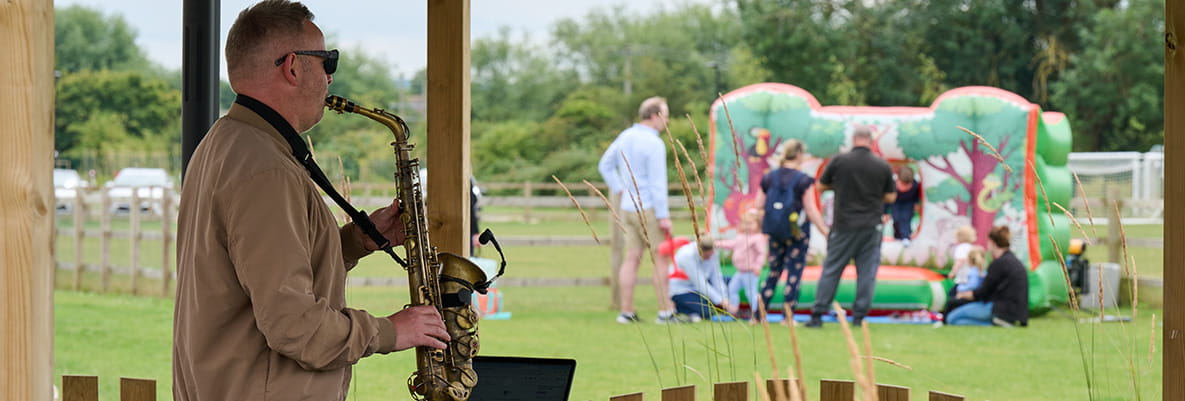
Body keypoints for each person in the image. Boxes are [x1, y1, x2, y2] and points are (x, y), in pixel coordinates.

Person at [173, 2, 449, 400]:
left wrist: (357, 241)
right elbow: (294, 326)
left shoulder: (225, 142)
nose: (330, 77)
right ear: (292, 66)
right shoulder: (266, 169)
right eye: (327, 61)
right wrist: (392, 330)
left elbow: (260, 270)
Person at [806, 126, 895, 328]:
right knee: (866, 273)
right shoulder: (881, 165)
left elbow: (820, 186)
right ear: (871, 141)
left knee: (832, 269)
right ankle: (859, 317)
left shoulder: (839, 161)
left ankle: (818, 314)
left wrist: (839, 186)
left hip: (843, 225)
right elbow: (891, 196)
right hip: (872, 226)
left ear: (854, 140)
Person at [598, 96, 675, 324]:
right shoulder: (654, 143)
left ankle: (627, 311)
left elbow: (605, 165)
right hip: (649, 207)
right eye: (665, 115)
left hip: (627, 207)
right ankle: (665, 312)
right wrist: (664, 216)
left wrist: (619, 188)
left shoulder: (625, 136)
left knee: (632, 258)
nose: (667, 121)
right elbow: (657, 184)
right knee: (661, 259)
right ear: (654, 116)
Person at [757, 140, 828, 323]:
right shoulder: (803, 180)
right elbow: (811, 210)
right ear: (799, 155)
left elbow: (759, 207)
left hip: (775, 231)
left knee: (773, 272)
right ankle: (787, 317)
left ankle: (758, 315)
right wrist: (825, 232)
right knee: (794, 274)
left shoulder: (769, 177)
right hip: (797, 232)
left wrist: (763, 228)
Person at [946, 225, 1029, 327]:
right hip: (1017, 312)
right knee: (958, 319)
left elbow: (983, 292)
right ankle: (1000, 322)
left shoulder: (999, 264)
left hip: (998, 308)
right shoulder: (1015, 262)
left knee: (952, 318)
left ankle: (995, 323)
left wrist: (963, 295)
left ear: (992, 242)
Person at [715, 209, 767, 318]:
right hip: (740, 272)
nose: (747, 226)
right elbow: (732, 244)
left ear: (758, 225)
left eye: (750, 224)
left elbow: (762, 254)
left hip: (750, 272)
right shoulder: (741, 237)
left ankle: (756, 311)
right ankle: (734, 309)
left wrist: (758, 266)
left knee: (751, 292)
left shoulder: (758, 238)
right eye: (745, 223)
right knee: (732, 288)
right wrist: (717, 243)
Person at [669, 233, 728, 322]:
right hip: (684, 290)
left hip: (703, 286)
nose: (709, 257)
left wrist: (724, 297)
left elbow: (716, 277)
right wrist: (720, 301)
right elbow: (700, 283)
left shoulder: (714, 253)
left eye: (711, 255)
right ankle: (679, 308)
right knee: (707, 312)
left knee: (729, 281)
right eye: (706, 256)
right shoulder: (686, 256)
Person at [888, 166, 921, 246]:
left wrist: (916, 203)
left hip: (908, 203)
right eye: (902, 184)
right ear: (898, 180)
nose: (905, 187)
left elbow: (917, 195)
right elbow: (888, 198)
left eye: (908, 185)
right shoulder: (892, 185)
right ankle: (897, 235)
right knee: (896, 218)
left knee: (906, 218)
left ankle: (906, 236)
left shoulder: (915, 185)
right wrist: (885, 211)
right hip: (896, 203)